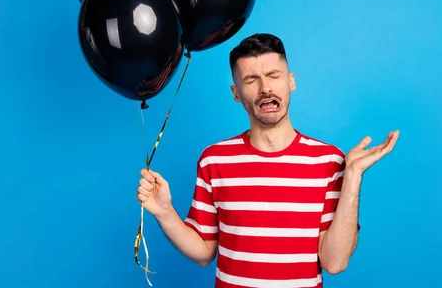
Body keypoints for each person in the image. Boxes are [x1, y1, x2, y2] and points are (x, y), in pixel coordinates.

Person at [137, 33, 399, 287]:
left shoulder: (329, 161)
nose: (265, 88)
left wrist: (352, 177)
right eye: (251, 80)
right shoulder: (214, 161)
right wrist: (164, 212)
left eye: (274, 75)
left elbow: (335, 262)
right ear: (236, 93)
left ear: (291, 82)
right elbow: (204, 251)